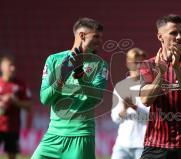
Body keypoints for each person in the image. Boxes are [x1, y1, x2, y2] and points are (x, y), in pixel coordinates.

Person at [32, 17, 108, 159]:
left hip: (80, 136)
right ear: (82, 36)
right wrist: (62, 77)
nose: (100, 41)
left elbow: (96, 98)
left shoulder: (100, 65)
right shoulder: (54, 60)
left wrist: (81, 77)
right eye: (96, 36)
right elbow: (44, 98)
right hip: (53, 136)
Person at [139, 14, 181, 159]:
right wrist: (161, 74)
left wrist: (176, 68)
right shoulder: (148, 65)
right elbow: (145, 100)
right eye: (174, 33)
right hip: (156, 145)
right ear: (160, 37)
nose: (179, 37)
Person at [111, 48, 149, 159]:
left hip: (142, 144)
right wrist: (125, 109)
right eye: (135, 62)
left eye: (141, 62)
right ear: (128, 64)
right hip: (122, 144)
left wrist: (134, 107)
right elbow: (115, 118)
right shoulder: (121, 86)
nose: (138, 66)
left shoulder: (149, 86)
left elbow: (152, 117)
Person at [0, 55, 32, 159]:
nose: (13, 68)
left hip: (13, 127)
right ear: (2, 67)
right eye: (10, 66)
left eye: (13, 66)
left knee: (12, 156)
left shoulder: (20, 85)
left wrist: (15, 101)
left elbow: (29, 106)